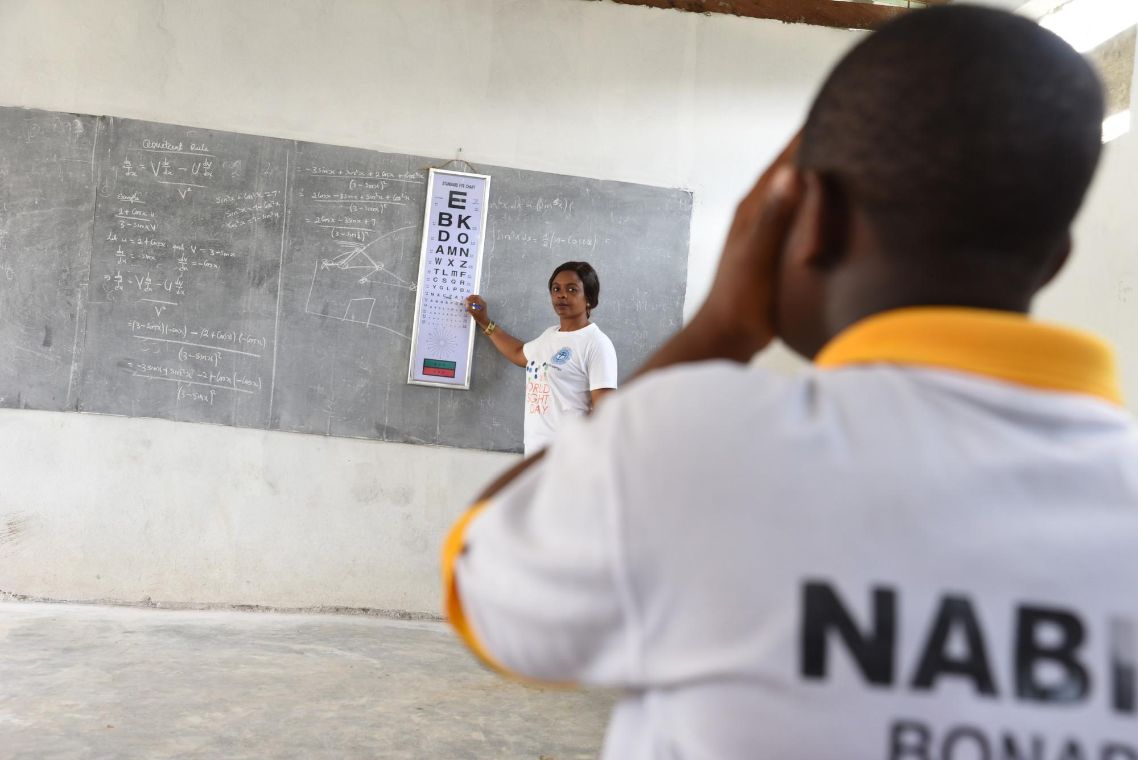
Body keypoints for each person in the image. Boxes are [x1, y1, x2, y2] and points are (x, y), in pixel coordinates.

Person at [445, 6, 1138, 758]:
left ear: (808, 220)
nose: (560, 297)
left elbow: (482, 584)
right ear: (1057, 257)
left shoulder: (689, 445)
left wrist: (719, 329)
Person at [465, 261, 617, 455]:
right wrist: (484, 321)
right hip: (534, 453)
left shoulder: (596, 343)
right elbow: (519, 353)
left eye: (572, 289)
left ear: (589, 298)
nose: (561, 295)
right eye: (556, 289)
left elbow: (606, 411)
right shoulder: (549, 336)